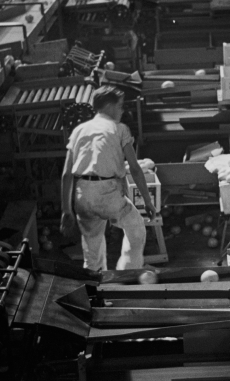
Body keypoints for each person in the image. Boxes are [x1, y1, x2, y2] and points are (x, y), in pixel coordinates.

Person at [60, 85, 157, 272]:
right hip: (108, 194)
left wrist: (67, 210)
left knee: (92, 251)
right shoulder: (120, 129)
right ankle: (127, 273)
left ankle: (96, 293)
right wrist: (147, 201)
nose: (122, 110)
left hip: (82, 195)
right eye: (120, 106)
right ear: (109, 106)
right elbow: (136, 169)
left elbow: (66, 175)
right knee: (136, 230)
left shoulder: (79, 130)